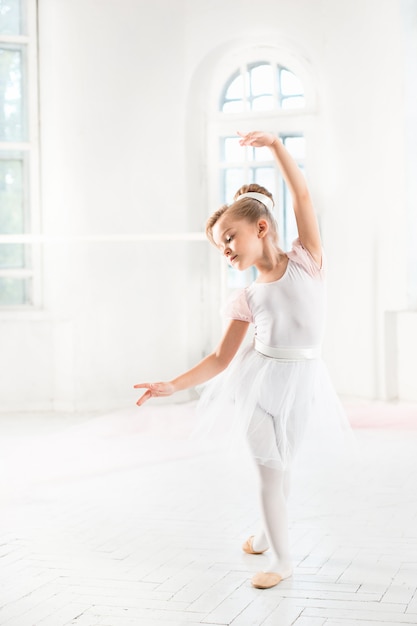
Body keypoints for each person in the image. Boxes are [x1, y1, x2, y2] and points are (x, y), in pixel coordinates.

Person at [134, 130, 351, 590]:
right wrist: (172, 385)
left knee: (284, 467)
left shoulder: (308, 260)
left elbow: (303, 194)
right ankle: (282, 559)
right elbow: (219, 358)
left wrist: (275, 147)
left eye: (229, 237)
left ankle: (260, 533)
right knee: (269, 473)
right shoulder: (246, 297)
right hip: (256, 387)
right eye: (219, 246)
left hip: (303, 383)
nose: (226, 249)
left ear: (262, 227)